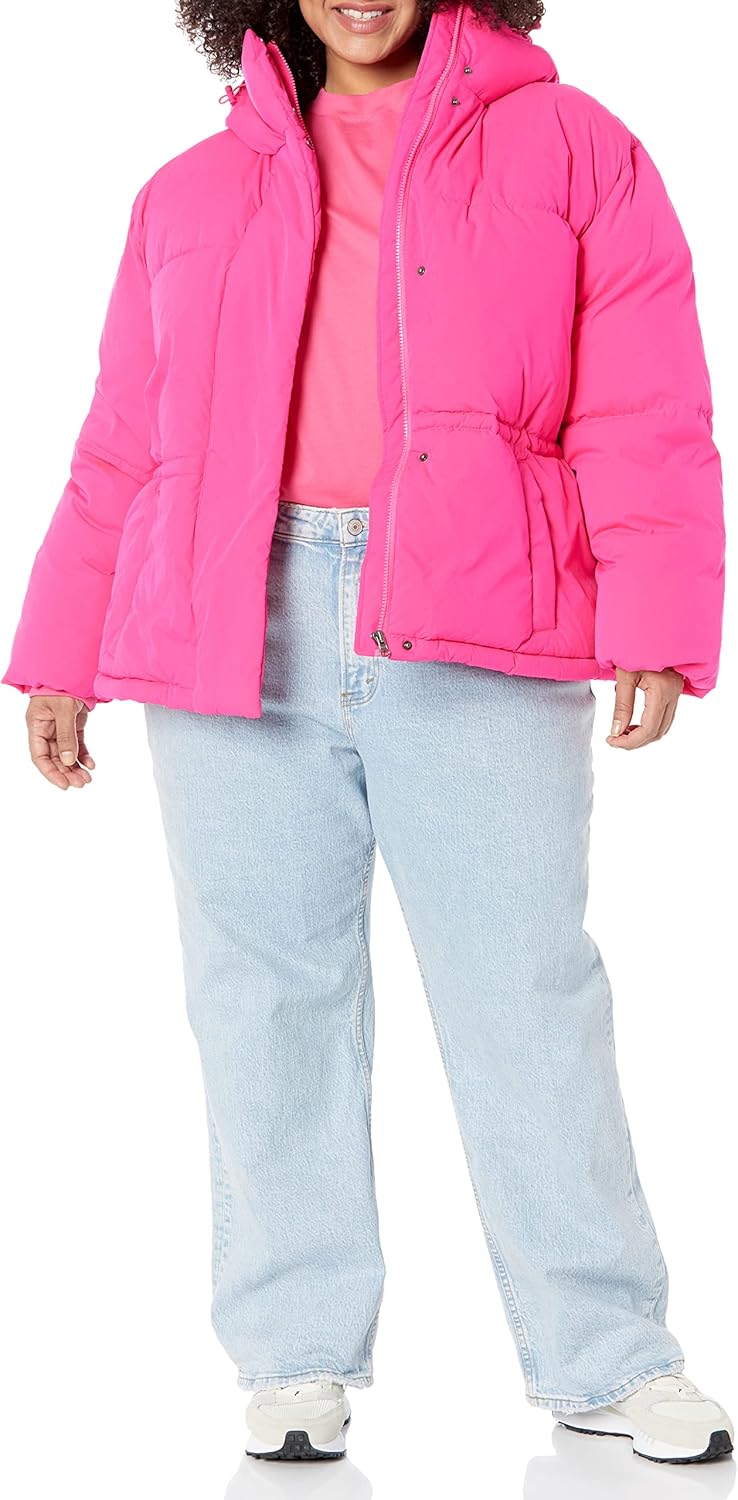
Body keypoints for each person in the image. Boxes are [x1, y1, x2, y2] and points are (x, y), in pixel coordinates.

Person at [3, 0, 731, 1468]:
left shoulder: (575, 148)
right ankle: (291, 1359)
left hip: (479, 616)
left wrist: (656, 618)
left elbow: (642, 399)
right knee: (263, 1003)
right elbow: (125, 438)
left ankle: (606, 1355)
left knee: (527, 994)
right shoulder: (187, 191)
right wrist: (60, 653)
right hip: (229, 623)